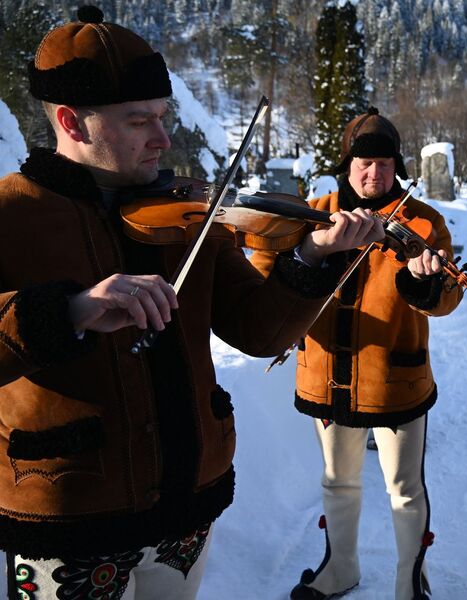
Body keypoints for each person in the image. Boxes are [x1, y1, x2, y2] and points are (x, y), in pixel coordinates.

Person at [0, 6, 380, 599]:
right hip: (69, 516)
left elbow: (260, 331)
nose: (164, 137)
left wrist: (310, 258)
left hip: (186, 508)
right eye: (138, 121)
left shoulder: (185, 216)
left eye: (163, 116)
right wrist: (69, 311)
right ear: (73, 122)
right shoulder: (11, 215)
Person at [288, 108, 465, 600]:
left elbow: (449, 297)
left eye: (384, 163)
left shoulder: (423, 223)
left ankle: (411, 580)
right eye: (364, 162)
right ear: (346, 165)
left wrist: (421, 280)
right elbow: (280, 279)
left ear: (397, 167)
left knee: (405, 488)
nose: (374, 173)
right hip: (326, 374)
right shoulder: (314, 211)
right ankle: (340, 567)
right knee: (337, 483)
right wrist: (315, 251)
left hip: (395, 378)